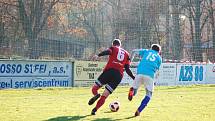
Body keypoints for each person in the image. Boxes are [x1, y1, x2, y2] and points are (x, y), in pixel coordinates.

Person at [88, 39, 135, 115]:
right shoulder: (127, 54)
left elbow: (108, 52)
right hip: (118, 76)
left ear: (113, 44)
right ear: (120, 45)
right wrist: (133, 78)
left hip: (109, 72)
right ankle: (94, 110)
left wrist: (98, 55)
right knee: (104, 96)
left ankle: (96, 95)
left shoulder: (113, 48)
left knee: (95, 88)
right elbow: (127, 69)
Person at [128, 44, 162, 116]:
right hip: (149, 75)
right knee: (149, 94)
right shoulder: (159, 58)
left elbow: (135, 51)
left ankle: (132, 91)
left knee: (135, 89)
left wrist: (130, 59)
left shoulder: (147, 51)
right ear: (159, 51)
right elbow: (157, 70)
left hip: (139, 72)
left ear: (151, 48)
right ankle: (139, 110)